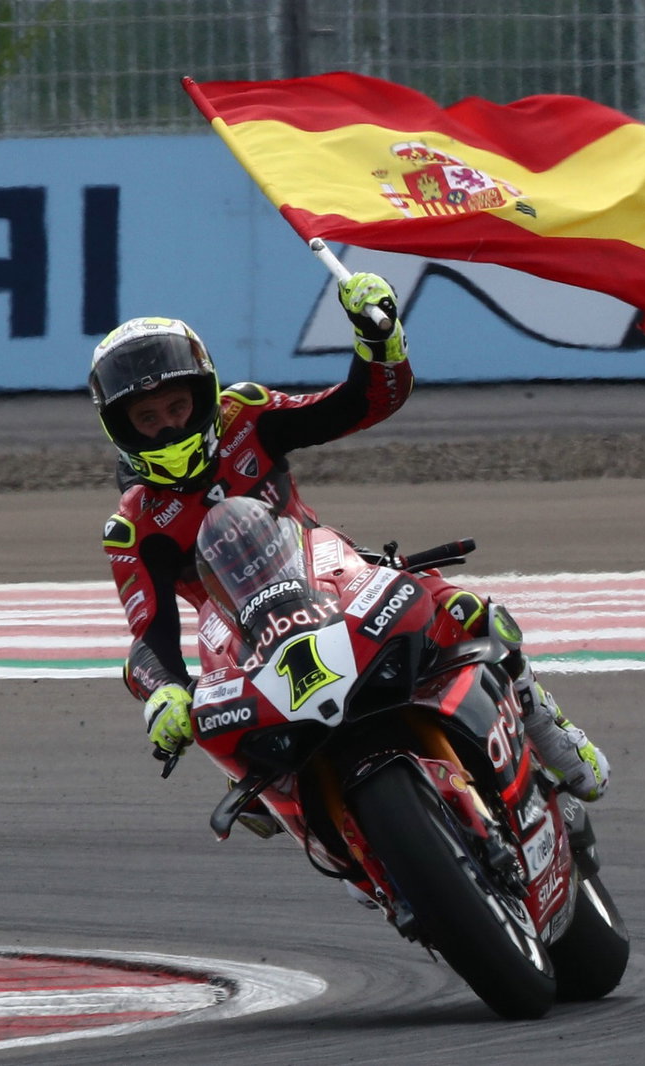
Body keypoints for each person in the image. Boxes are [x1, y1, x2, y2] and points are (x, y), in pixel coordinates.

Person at [90, 272, 610, 803]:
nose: (169, 428)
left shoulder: (246, 415)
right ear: (121, 429)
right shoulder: (134, 526)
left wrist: (377, 340)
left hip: (329, 577)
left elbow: (361, 403)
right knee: (249, 786)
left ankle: (545, 724)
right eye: (148, 418)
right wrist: (164, 693)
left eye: (177, 407)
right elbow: (148, 638)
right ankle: (358, 873)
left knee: (471, 613)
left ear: (204, 394)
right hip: (238, 640)